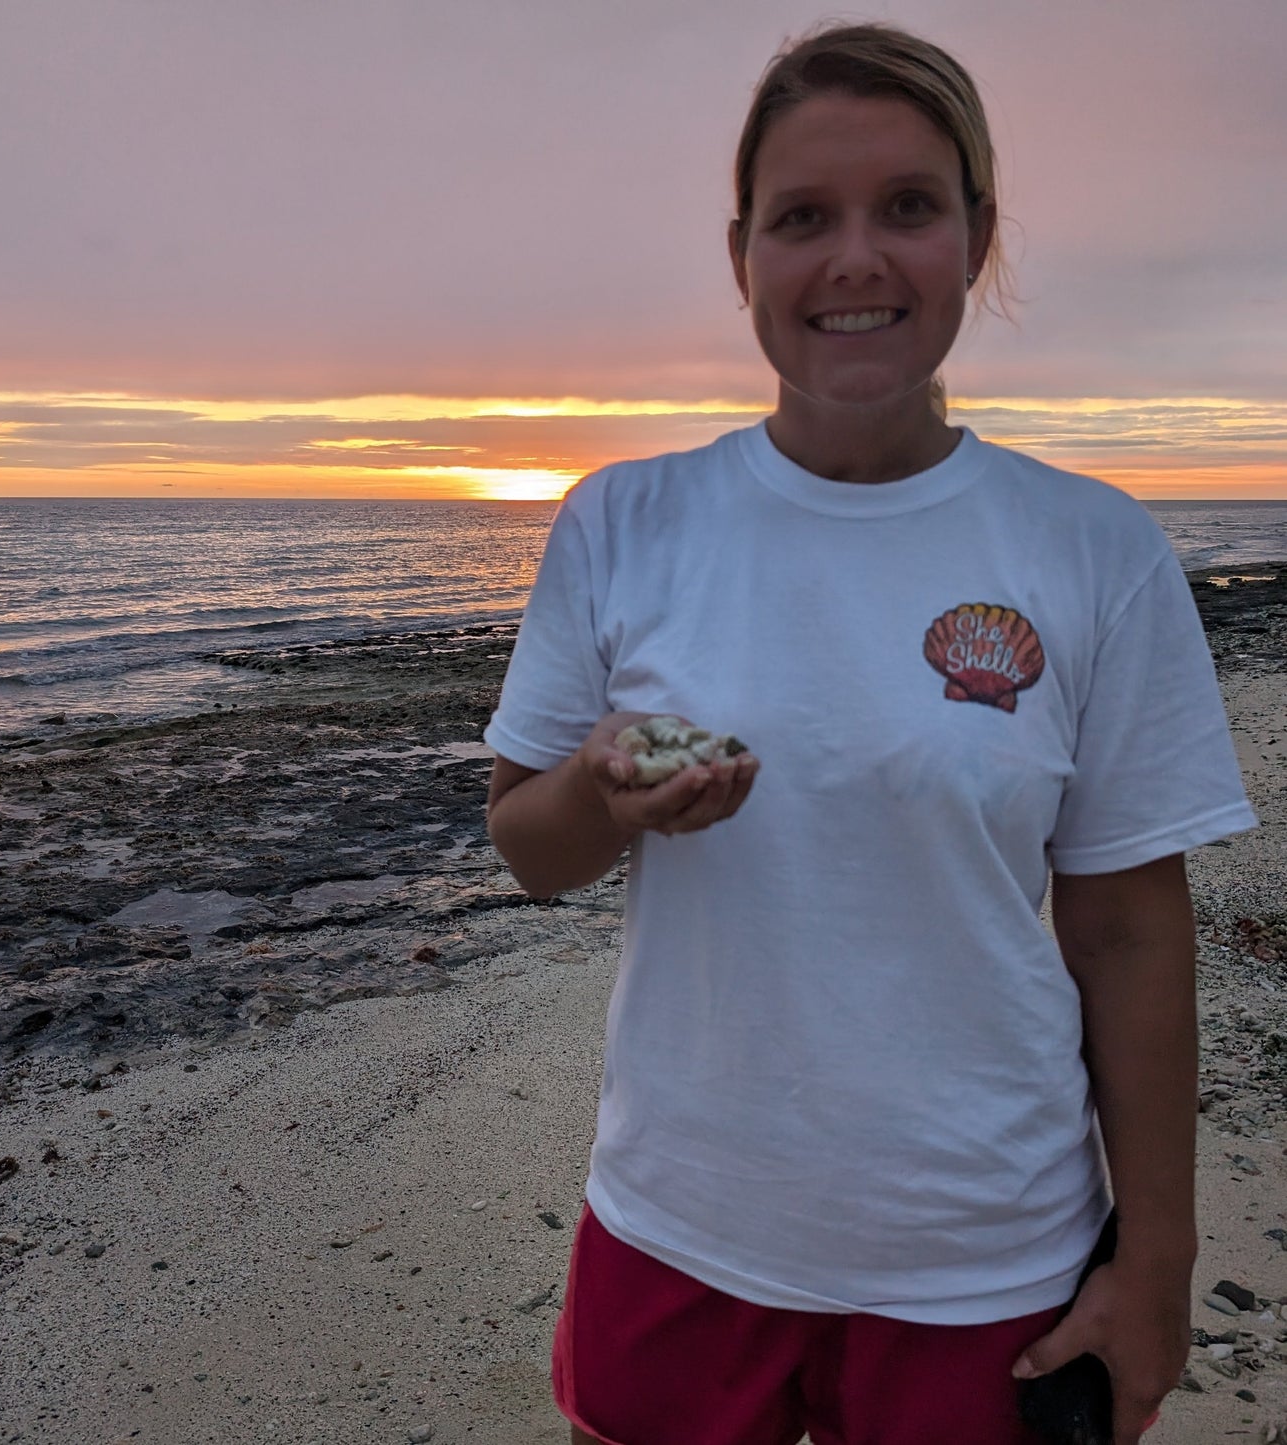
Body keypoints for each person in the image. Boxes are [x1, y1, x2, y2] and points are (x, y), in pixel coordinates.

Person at [482, 22, 1258, 1445]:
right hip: (679, 1225)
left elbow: (1129, 931)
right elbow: (528, 845)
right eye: (801, 219)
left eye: (907, 206)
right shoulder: (624, 519)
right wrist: (605, 790)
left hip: (982, 1255)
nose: (853, 259)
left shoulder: (1090, 548)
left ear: (977, 235)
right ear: (740, 258)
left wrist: (1155, 1261)